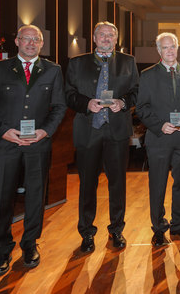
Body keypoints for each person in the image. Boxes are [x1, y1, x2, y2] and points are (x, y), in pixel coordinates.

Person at [0, 25, 67, 276]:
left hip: (38, 144)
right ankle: (2, 250)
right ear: (16, 42)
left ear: (41, 43)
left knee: (35, 197)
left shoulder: (53, 70)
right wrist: (3, 131)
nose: (31, 43)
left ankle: (30, 245)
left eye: (35, 39)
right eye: (26, 39)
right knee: (3, 199)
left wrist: (45, 131)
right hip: (5, 144)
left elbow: (59, 107)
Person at [65, 21, 139, 253]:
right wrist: (86, 103)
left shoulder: (128, 62)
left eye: (111, 35)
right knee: (87, 185)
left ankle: (116, 230)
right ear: (94, 38)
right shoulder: (77, 63)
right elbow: (68, 94)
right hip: (88, 131)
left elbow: (136, 91)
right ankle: (86, 233)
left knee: (117, 184)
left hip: (117, 131)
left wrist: (123, 102)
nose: (106, 39)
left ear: (116, 40)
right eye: (102, 35)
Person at [136, 33, 180, 247]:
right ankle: (158, 228)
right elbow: (142, 108)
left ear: (177, 48)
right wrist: (159, 125)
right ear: (158, 51)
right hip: (159, 139)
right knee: (158, 185)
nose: (170, 51)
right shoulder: (147, 75)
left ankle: (178, 226)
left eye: (173, 46)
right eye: (165, 47)